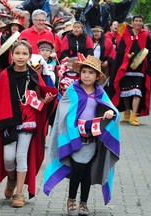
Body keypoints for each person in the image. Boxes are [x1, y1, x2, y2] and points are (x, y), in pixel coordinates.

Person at [44, 55, 120, 216]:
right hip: (74, 137)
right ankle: (71, 200)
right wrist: (72, 130)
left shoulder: (100, 92)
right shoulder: (73, 90)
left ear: (97, 76)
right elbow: (63, 112)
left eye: (90, 73)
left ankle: (83, 203)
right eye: (84, 72)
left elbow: (113, 111)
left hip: (92, 138)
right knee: (77, 169)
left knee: (87, 171)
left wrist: (109, 112)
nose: (86, 75)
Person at [0, 40, 58, 207]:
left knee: (21, 156)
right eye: (17, 53)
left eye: (24, 54)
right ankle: (11, 179)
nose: (20, 57)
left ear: (29, 56)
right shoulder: (5, 75)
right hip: (8, 121)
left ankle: (19, 193)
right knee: (8, 158)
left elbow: (39, 96)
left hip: (28, 121)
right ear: (12, 55)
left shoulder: (33, 75)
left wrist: (44, 100)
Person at [107, 14, 151, 126]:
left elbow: (149, 53)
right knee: (126, 92)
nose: (138, 23)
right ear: (132, 22)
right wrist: (126, 57)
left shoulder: (145, 35)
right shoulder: (126, 34)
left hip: (140, 68)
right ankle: (127, 111)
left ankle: (134, 115)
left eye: (140, 21)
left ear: (142, 23)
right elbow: (121, 51)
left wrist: (147, 66)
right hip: (126, 67)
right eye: (136, 20)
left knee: (137, 91)